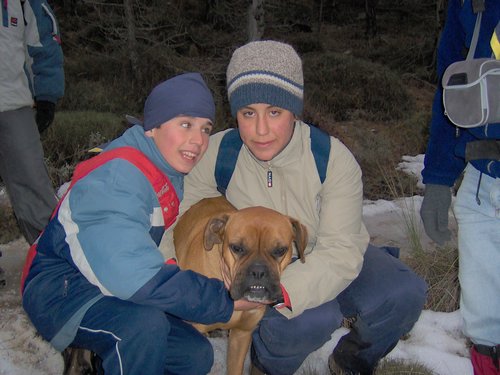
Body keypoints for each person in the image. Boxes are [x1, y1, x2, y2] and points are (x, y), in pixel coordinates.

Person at [167, 41, 427, 375]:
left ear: (295, 110)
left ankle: (352, 359)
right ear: (235, 114)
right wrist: (172, 270)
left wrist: (283, 293)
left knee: (404, 292)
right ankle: (269, 365)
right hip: (265, 256)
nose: (261, 130)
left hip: (330, 251)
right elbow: (172, 210)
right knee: (305, 324)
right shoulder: (218, 152)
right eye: (249, 113)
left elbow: (341, 251)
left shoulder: (331, 159)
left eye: (274, 112)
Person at [21, 73, 260, 375]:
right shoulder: (118, 178)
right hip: (61, 290)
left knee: (194, 355)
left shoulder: (163, 167)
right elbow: (133, 275)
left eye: (205, 129)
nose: (199, 141)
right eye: (185, 124)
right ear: (152, 128)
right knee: (141, 330)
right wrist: (220, 299)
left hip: (102, 282)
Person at [420, 1, 500, 374]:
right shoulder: (469, 3)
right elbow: (450, 85)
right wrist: (438, 178)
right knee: (485, 324)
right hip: (482, 184)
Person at [0, 0, 64, 246]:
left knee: (33, 186)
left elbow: (45, 41)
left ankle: (53, 256)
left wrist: (47, 94)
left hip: (14, 102)